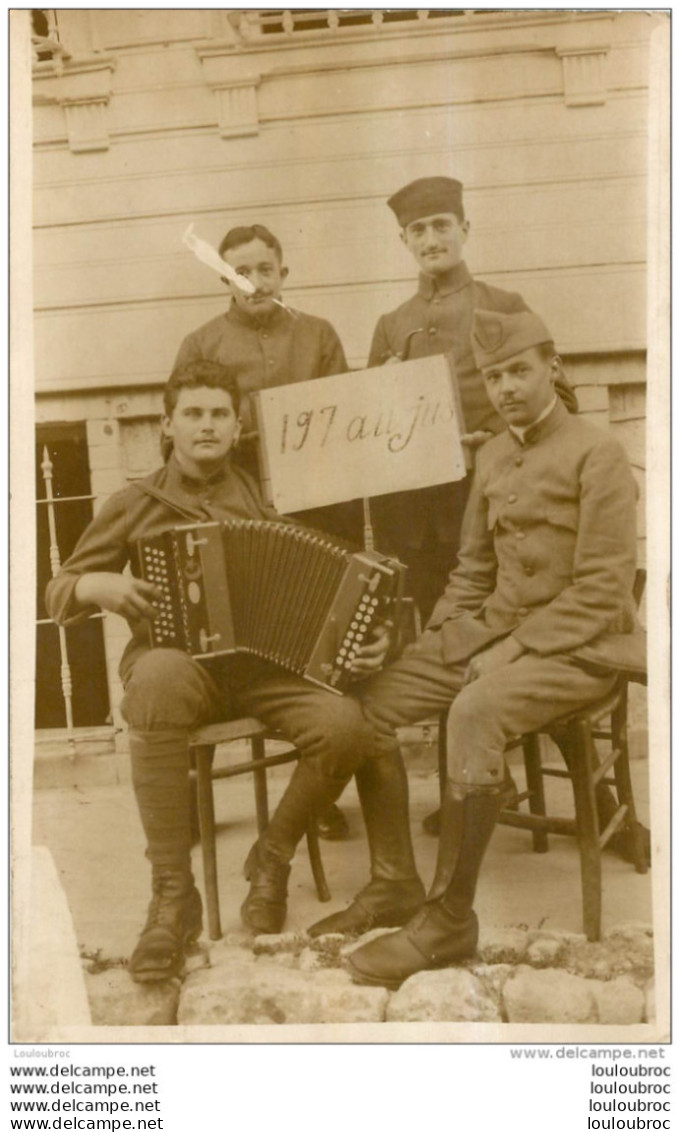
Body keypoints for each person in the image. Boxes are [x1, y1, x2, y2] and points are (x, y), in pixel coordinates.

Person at [45, 361, 425, 982]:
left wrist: (371, 634)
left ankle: (273, 855)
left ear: (237, 424)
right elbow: (55, 595)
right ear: (167, 425)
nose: (207, 426)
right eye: (193, 413)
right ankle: (172, 900)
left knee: (346, 724)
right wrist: (95, 582)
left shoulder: (260, 497)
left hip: (258, 672)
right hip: (178, 672)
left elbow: (331, 588)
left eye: (220, 414)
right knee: (160, 679)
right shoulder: (133, 504)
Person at [327, 308, 647, 988]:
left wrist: (510, 651)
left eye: (518, 371)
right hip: (494, 633)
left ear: (552, 369)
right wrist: (439, 638)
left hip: (581, 649)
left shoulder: (601, 453)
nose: (505, 388)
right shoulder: (495, 454)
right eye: (493, 375)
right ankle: (395, 884)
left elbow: (600, 591)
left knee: (474, 710)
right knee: (369, 706)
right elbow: (472, 571)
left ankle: (449, 919)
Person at [175, 222, 362, 839]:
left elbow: (347, 422)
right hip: (237, 514)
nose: (252, 281)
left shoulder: (318, 335)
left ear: (284, 272)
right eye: (238, 271)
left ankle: (320, 792)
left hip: (318, 512)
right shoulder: (201, 343)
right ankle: (191, 795)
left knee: (324, 654)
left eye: (264, 268)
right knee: (232, 648)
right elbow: (177, 431)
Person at [367, 176, 578, 624]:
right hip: (413, 515)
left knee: (499, 617)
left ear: (465, 229)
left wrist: (498, 440)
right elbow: (368, 431)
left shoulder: (503, 304)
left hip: (496, 497)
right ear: (402, 240)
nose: (431, 240)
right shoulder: (391, 324)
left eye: (442, 226)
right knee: (427, 620)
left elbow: (561, 398)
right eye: (418, 230)